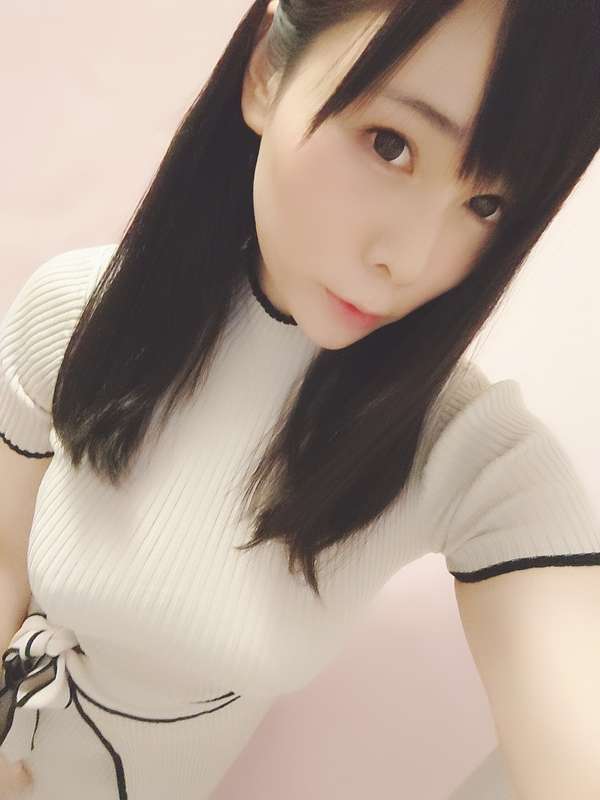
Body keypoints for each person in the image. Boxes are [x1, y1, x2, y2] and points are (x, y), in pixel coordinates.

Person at [0, 0, 598, 797]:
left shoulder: (465, 453)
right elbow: (4, 556)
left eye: (487, 204)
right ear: (266, 71)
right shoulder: (73, 310)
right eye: (390, 144)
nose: (411, 259)